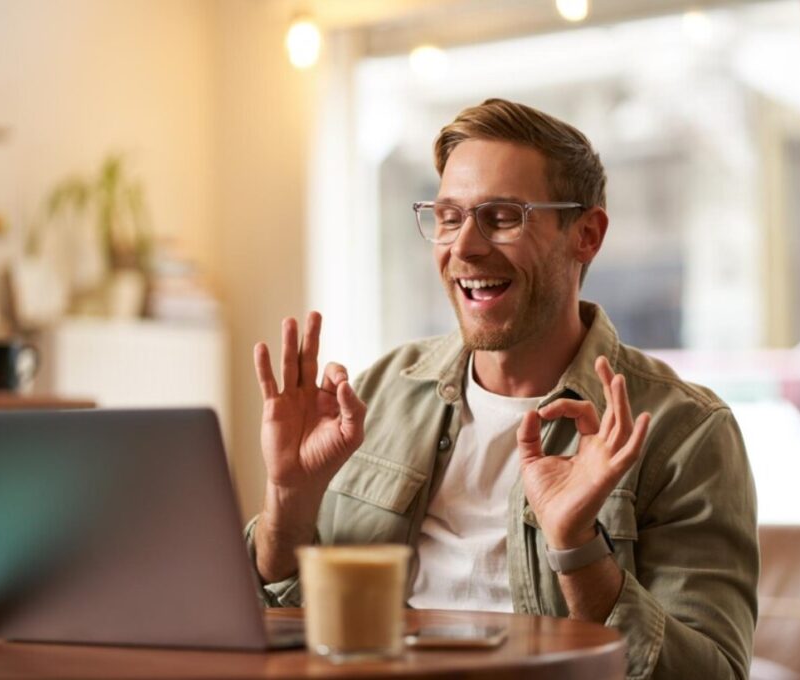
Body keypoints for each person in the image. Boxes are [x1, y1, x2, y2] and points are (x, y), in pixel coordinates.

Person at [246, 98, 758, 680]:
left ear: (586, 234)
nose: (464, 247)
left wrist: (576, 548)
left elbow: (711, 673)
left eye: (502, 217)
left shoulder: (684, 431)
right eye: (448, 216)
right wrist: (289, 498)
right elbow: (279, 630)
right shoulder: (379, 395)